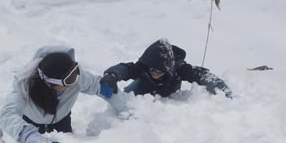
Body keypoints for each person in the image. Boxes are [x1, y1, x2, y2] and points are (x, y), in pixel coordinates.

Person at [0, 45, 126, 143]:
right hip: (31, 123)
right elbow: (8, 115)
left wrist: (124, 110)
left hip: (61, 119)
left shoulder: (75, 76)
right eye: (68, 81)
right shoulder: (24, 86)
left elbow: (98, 86)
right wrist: (28, 135)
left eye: (75, 74)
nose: (74, 82)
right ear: (48, 82)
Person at [100, 38, 233, 98]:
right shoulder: (143, 68)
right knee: (123, 95)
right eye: (151, 70)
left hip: (167, 94)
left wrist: (221, 89)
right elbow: (125, 69)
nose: (154, 74)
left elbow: (201, 74)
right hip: (143, 90)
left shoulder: (179, 68)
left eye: (159, 71)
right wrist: (111, 75)